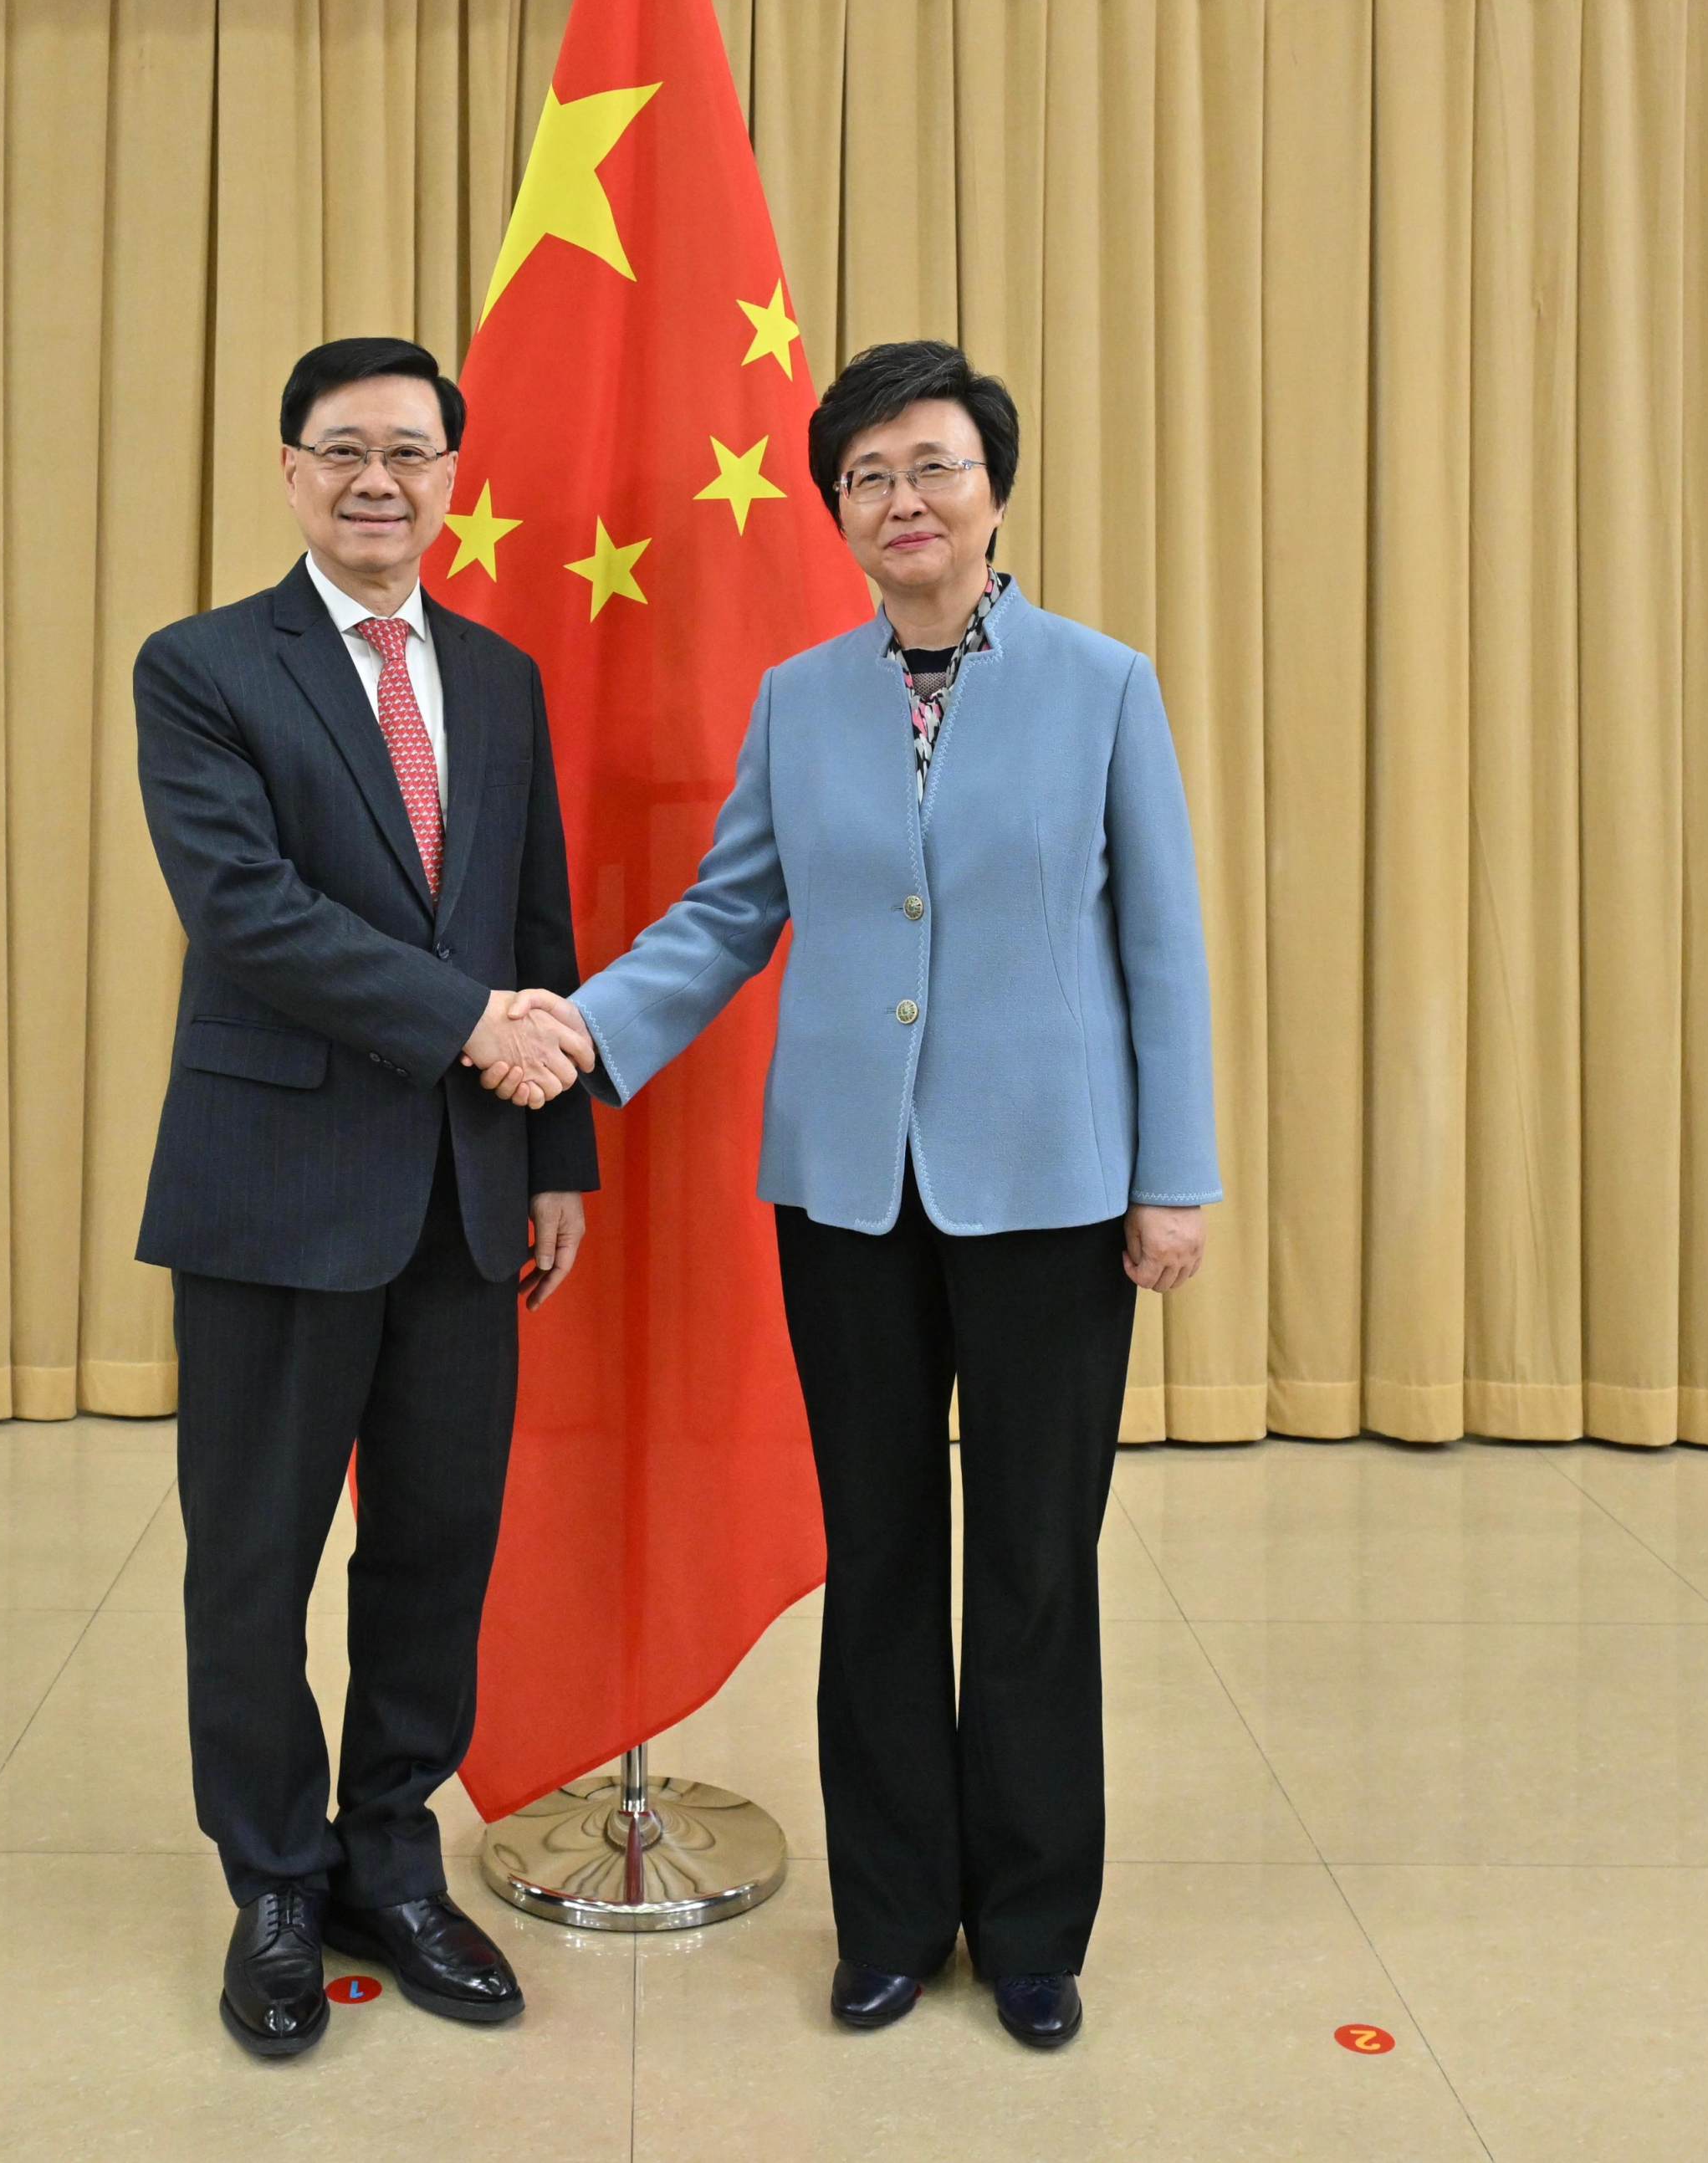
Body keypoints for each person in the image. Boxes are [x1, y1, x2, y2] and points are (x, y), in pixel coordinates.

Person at [481, 339, 1216, 2052]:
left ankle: (1031, 1926)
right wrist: (579, 1031)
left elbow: (1160, 946)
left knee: (1030, 1560)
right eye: (869, 474)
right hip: (845, 1191)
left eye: (932, 464)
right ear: (836, 509)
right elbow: (730, 913)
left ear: (992, 489)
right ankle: (888, 1916)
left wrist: (1169, 1176)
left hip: (1049, 1191)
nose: (903, 498)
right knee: (881, 1549)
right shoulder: (799, 696)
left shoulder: (1102, 684)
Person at [132, 336, 597, 2060]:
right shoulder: (199, 667)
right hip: (270, 1189)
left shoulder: (497, 673)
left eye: (410, 448)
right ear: (287, 470)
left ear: (452, 477)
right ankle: (272, 1873)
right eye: (342, 449)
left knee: (433, 1545)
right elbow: (243, 908)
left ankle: (391, 1852)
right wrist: (467, 1022)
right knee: (250, 1556)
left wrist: (556, 1149)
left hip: (467, 1197)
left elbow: (534, 916)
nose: (377, 478)